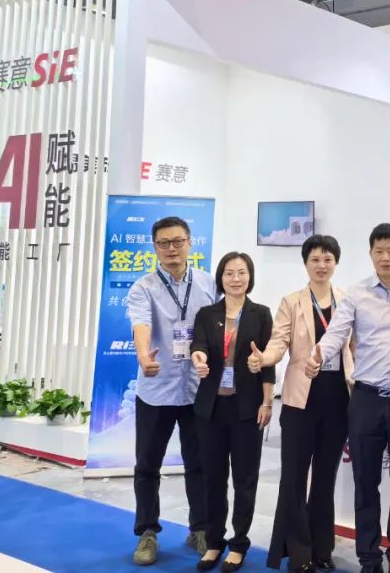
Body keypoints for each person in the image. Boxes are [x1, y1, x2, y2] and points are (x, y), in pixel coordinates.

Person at [306, 223, 390, 573]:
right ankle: (369, 557)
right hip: (366, 400)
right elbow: (336, 333)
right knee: (365, 482)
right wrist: (319, 354)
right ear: (370, 255)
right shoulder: (357, 293)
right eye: (379, 251)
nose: (386, 257)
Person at [258, 235, 355, 573]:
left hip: (338, 399)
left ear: (336, 263)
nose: (321, 265)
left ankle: (322, 548)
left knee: (326, 477)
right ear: (305, 263)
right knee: (295, 477)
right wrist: (265, 358)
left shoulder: (347, 300)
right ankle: (299, 553)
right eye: (315, 259)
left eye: (327, 259)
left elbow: (354, 347)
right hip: (301, 400)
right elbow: (278, 342)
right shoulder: (292, 302)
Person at [126, 215, 214, 566]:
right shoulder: (143, 288)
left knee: (199, 464)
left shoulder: (208, 284)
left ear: (190, 243)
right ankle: (147, 532)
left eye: (177, 241)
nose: (171, 249)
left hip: (196, 389)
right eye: (164, 243)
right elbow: (141, 323)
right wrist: (143, 354)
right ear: (155, 248)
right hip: (156, 389)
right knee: (148, 465)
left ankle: (200, 529)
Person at [190, 252, 276, 572]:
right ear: (221, 278)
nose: (235, 278)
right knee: (213, 478)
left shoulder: (261, 314)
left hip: (247, 409)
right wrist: (199, 359)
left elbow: (267, 363)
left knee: (244, 479)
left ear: (250, 277)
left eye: (241, 272)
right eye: (229, 273)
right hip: (211, 409)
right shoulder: (207, 313)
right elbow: (198, 345)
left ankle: (239, 543)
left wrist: (267, 402)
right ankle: (214, 541)